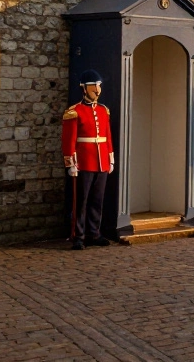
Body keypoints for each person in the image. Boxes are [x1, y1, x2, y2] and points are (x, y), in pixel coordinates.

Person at [62, 69, 114, 250]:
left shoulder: (103, 110)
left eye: (98, 87)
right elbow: (69, 139)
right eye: (94, 87)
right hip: (83, 161)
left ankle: (94, 232)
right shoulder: (74, 112)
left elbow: (107, 136)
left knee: (97, 200)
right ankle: (79, 235)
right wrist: (70, 163)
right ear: (84, 88)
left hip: (101, 162)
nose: (97, 91)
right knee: (81, 201)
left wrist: (110, 158)